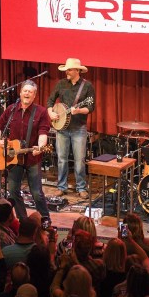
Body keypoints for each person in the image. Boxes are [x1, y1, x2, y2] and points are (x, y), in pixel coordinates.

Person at [0, 80, 51, 219]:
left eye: (30, 91)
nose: (27, 93)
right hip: (13, 159)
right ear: (20, 93)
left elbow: (43, 133)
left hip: (32, 158)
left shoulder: (41, 112)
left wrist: (40, 147)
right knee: (13, 192)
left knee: (36, 193)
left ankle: (45, 220)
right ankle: (23, 220)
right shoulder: (11, 109)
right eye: (25, 90)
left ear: (34, 95)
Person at [47, 58, 95, 198]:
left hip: (78, 128)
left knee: (79, 160)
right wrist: (51, 112)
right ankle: (61, 186)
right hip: (61, 128)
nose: (67, 72)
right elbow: (50, 100)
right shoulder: (61, 83)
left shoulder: (87, 86)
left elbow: (90, 107)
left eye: (69, 70)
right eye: (66, 69)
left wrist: (79, 110)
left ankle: (81, 187)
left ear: (77, 71)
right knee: (62, 159)